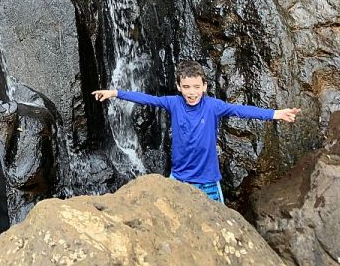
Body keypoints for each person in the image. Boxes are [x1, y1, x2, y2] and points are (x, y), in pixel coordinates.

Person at [92, 59, 300, 203]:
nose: (192, 92)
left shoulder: (213, 106)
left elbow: (241, 110)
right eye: (187, 87)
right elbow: (148, 99)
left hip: (208, 181)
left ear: (204, 86)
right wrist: (114, 93)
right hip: (179, 178)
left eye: (196, 86)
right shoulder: (173, 103)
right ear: (179, 87)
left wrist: (275, 114)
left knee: (219, 223)